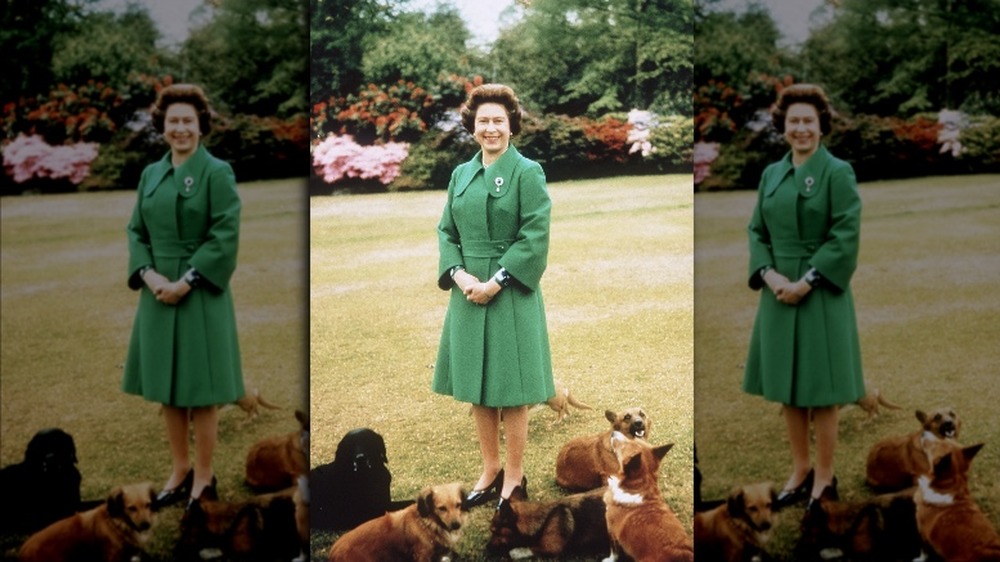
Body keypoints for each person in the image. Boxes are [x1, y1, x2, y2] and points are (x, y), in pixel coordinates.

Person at [743, 83, 865, 513]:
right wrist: (773, 277)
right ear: (783, 125)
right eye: (793, 121)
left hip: (821, 294)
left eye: (808, 121)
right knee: (788, 390)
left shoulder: (837, 172)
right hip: (778, 294)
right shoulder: (771, 174)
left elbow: (845, 233)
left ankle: (826, 477)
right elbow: (757, 231)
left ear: (821, 125)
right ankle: (800, 471)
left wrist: (807, 281)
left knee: (821, 391)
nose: (800, 129)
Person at [433, 83, 556, 511]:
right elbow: (446, 231)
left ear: (511, 125)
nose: (491, 129)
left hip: (511, 293)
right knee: (478, 388)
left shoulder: (527, 172)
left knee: (511, 389)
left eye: (498, 121)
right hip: (468, 293)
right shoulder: (459, 175)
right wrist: (460, 275)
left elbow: (535, 235)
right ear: (472, 125)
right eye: (483, 120)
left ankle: (515, 477)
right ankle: (490, 470)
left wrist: (496, 280)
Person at [122, 83, 244, 509]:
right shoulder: (150, 174)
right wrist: (151, 277)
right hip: (157, 294)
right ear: (162, 125)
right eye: (173, 121)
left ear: (200, 125)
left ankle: (204, 478)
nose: (180, 128)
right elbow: (136, 231)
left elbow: (224, 234)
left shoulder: (216, 172)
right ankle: (179, 471)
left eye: (187, 121)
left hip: (201, 295)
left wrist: (185, 281)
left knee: (200, 390)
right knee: (167, 388)